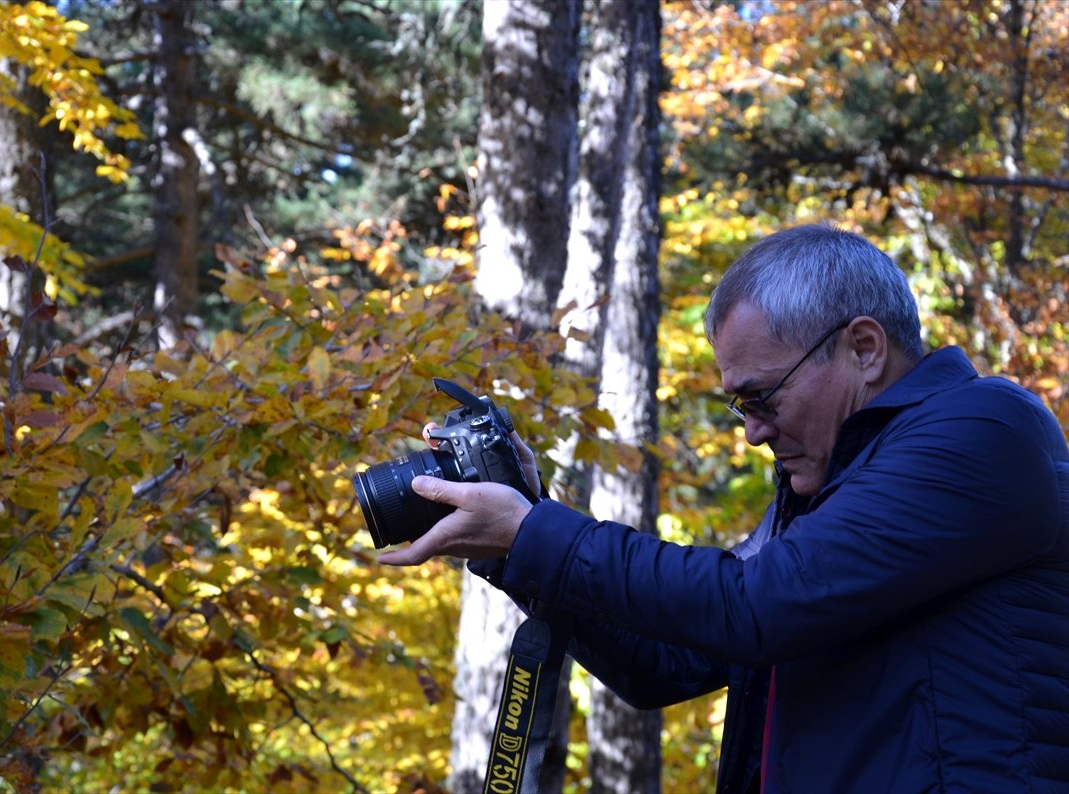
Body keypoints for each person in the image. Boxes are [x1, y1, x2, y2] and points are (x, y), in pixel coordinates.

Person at [380, 223, 1069, 793]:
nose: (753, 432)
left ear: (864, 348)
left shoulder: (984, 430)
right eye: (739, 406)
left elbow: (753, 606)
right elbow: (662, 663)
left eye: (762, 397)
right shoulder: (832, 494)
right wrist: (516, 536)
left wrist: (538, 533)